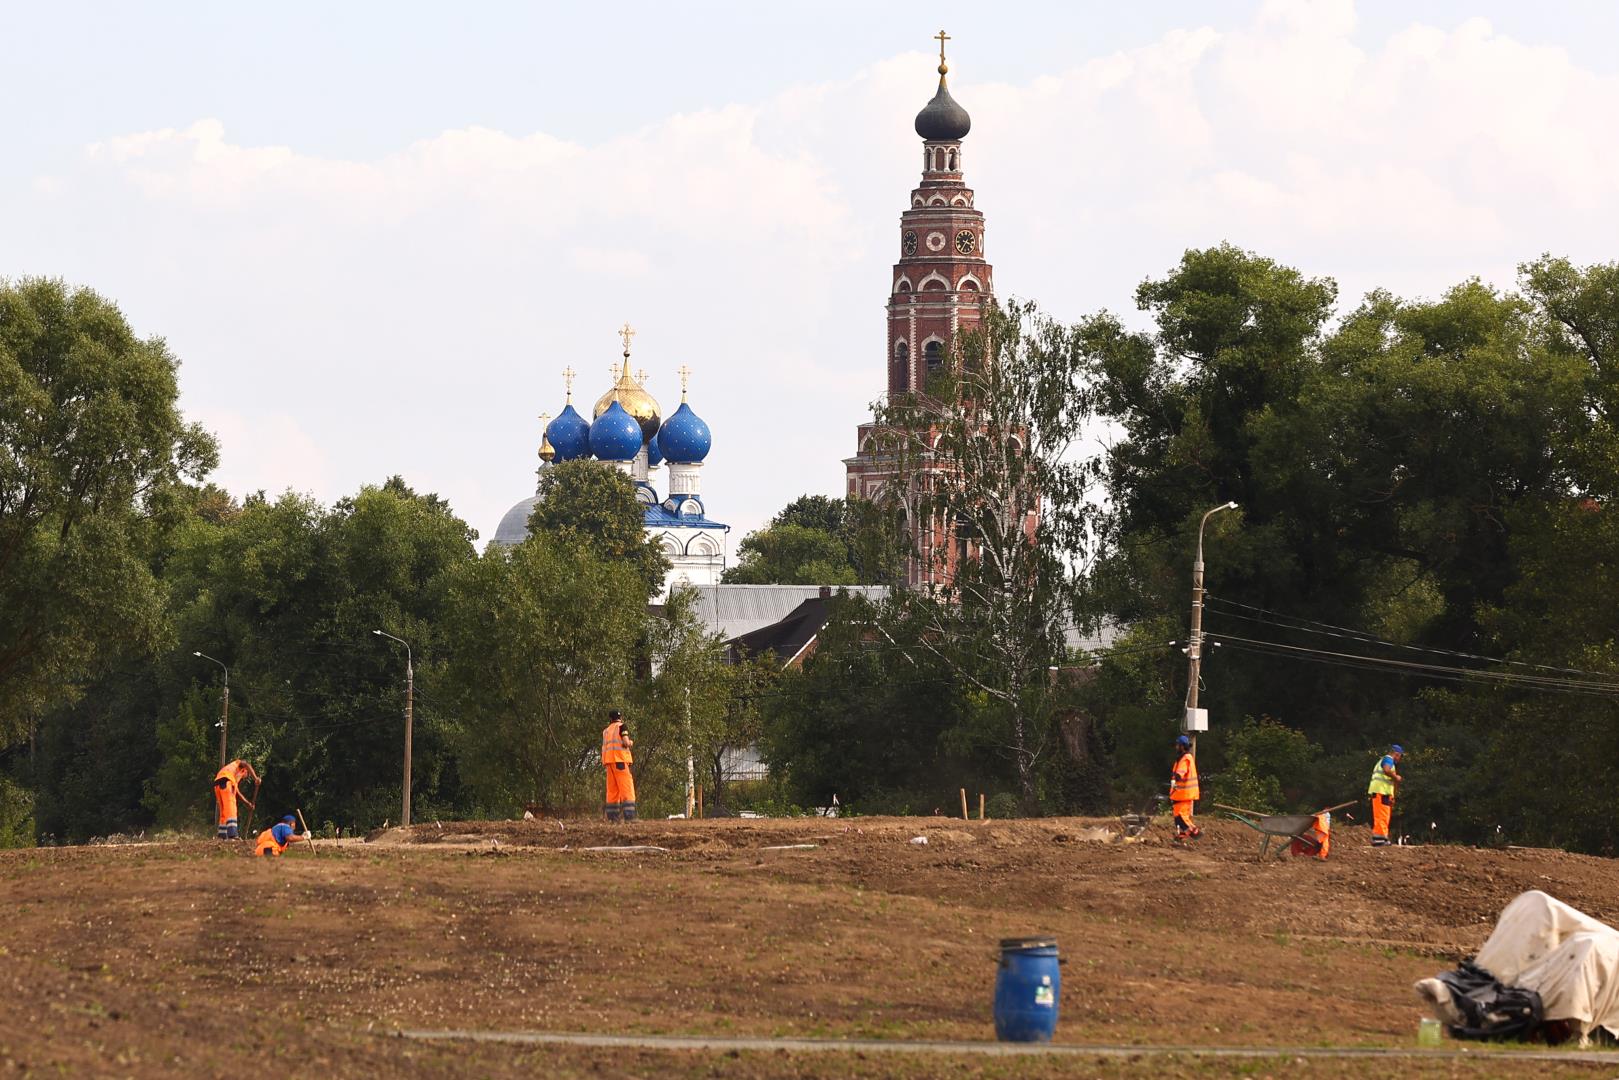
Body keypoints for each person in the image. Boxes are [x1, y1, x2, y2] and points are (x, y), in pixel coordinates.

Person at [601, 709, 637, 822]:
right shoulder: (622, 727)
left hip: (609, 763)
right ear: (620, 718)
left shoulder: (606, 731)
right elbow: (625, 742)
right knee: (627, 788)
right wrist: (630, 743)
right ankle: (630, 816)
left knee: (612, 791)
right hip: (620, 761)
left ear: (610, 719)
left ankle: (612, 818)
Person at [213, 758, 260, 840]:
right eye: (247, 775)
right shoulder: (240, 766)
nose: (245, 778)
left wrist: (247, 803)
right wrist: (255, 778)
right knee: (231, 809)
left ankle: (222, 835)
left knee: (224, 811)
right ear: (246, 771)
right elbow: (246, 763)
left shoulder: (232, 774)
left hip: (217, 784)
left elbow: (237, 792)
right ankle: (233, 834)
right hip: (226, 782)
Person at [1368, 744, 1403, 846]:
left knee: (1384, 816)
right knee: (1382, 816)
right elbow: (1386, 770)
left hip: (1383, 792)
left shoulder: (1387, 761)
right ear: (1396, 754)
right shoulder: (1388, 759)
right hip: (1381, 791)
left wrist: (1392, 796)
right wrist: (1396, 777)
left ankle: (1380, 838)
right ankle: (1379, 839)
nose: (1399, 759)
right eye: (1399, 756)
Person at [1169, 733, 1201, 841]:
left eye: (1178, 745)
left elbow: (1180, 773)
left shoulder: (1185, 758)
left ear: (1182, 746)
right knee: (1179, 816)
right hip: (1182, 793)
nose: (1176, 747)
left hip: (1183, 793)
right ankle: (1183, 833)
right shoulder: (1184, 757)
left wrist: (1174, 780)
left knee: (1180, 816)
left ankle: (1194, 831)